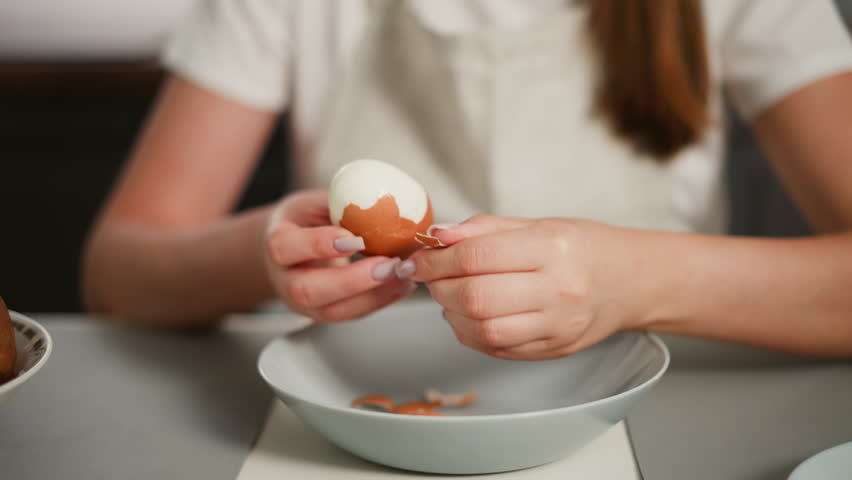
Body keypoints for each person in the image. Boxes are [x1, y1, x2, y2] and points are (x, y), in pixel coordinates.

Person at [82, 0, 852, 359]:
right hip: (358, 406)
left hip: (659, 401)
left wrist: (632, 278)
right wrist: (266, 252)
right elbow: (117, 273)